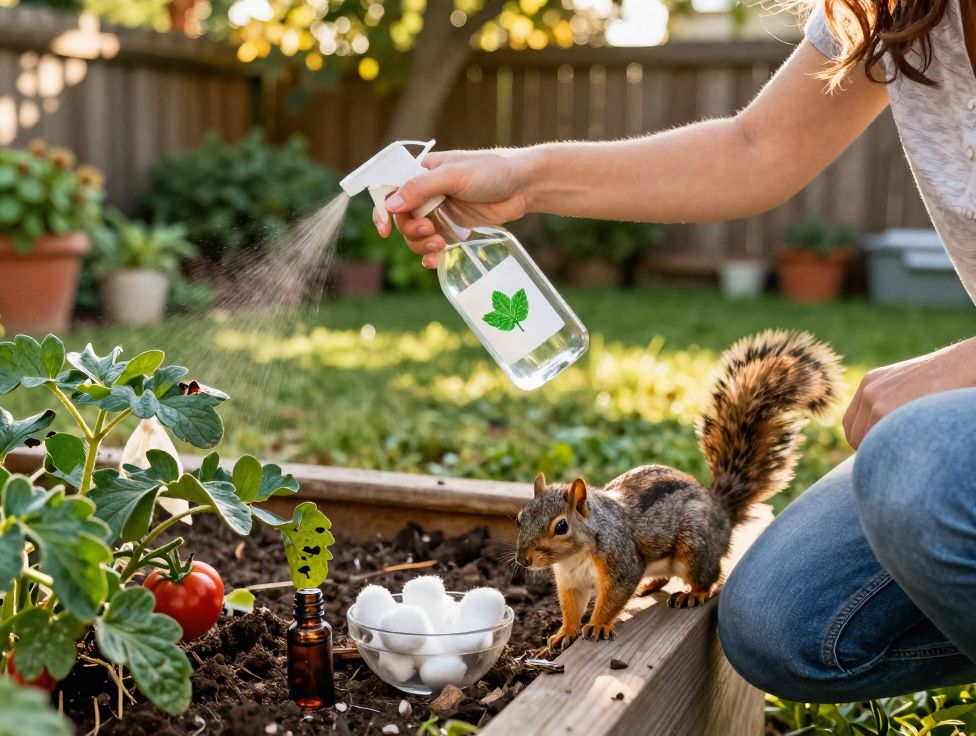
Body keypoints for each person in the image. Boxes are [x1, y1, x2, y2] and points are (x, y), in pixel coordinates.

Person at [375, 0, 976, 702]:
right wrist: (524, 176)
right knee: (784, 624)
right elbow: (756, 149)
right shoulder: (904, 12)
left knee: (915, 465)